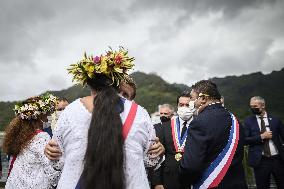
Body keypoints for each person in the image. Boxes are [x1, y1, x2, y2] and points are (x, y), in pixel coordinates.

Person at [45, 47, 163, 189]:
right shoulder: (139, 113)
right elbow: (150, 160)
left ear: (88, 82)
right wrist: (158, 151)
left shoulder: (69, 112)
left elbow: (58, 162)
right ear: (118, 81)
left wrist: (51, 153)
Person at [179, 80, 247, 189]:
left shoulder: (199, 122)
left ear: (203, 98)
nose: (191, 102)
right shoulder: (235, 120)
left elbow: (191, 166)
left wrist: (183, 181)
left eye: (192, 98)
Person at [3, 94, 62, 189]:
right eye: (46, 115)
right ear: (38, 117)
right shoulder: (41, 137)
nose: (47, 119)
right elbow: (52, 173)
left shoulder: (22, 136)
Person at [152, 91, 195, 189]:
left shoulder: (199, 126)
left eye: (187, 105)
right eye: (181, 105)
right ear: (177, 106)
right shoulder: (165, 127)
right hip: (168, 179)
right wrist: (157, 182)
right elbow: (157, 155)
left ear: (193, 106)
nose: (184, 107)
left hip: (192, 179)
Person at [243, 96, 284, 189]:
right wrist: (261, 136)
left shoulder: (275, 120)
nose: (253, 108)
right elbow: (244, 140)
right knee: (262, 186)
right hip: (260, 161)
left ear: (263, 105)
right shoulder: (248, 121)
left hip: (278, 160)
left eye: (255, 106)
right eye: (251, 106)